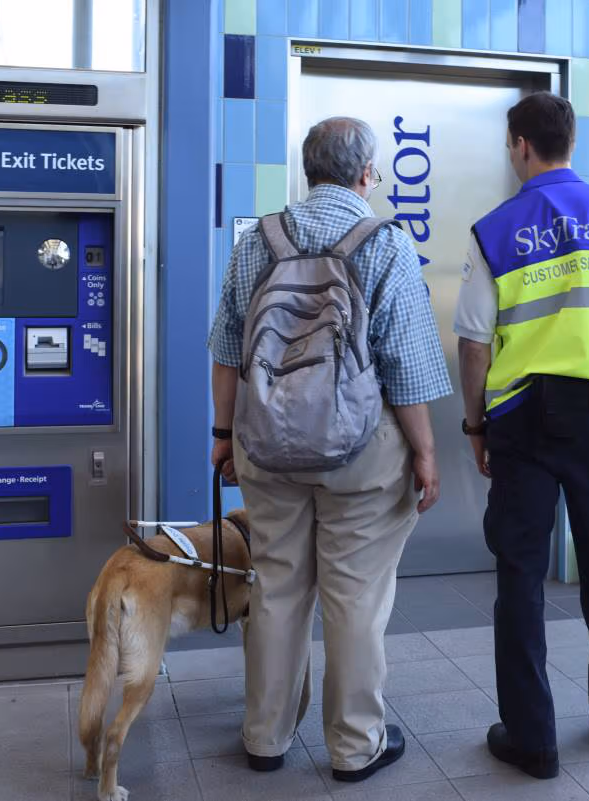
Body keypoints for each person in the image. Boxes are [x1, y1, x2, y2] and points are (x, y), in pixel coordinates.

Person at [206, 117, 452, 782]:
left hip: (266, 445)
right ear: (366, 175)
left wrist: (224, 435)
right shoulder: (386, 244)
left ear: (308, 171)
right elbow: (406, 366)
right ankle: (355, 745)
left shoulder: (259, 240)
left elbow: (228, 348)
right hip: (360, 454)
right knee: (355, 597)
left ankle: (265, 735)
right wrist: (426, 454)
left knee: (277, 586)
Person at [453, 91, 589, 780]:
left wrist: (476, 423)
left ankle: (531, 736)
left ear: (520, 144)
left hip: (520, 419)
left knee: (519, 573)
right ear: (569, 141)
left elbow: (474, 343)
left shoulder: (496, 229)